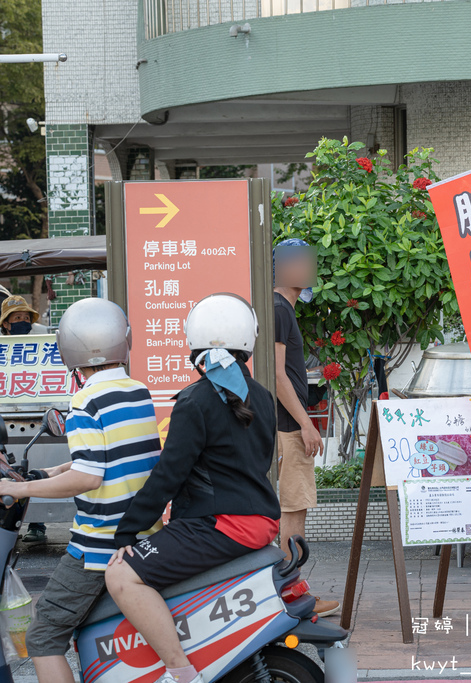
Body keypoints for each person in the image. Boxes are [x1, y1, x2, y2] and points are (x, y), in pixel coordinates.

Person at [105, 294, 281, 683]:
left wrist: (127, 532)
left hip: (220, 524)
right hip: (262, 521)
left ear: (195, 343)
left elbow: (169, 474)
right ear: (247, 342)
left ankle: (181, 673)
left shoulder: (195, 401)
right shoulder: (264, 398)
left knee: (120, 576)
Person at [0, 298, 162, 683]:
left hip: (99, 543)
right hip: (142, 533)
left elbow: (89, 478)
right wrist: (55, 468)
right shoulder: (137, 390)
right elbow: (118, 455)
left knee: (42, 635)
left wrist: (18, 489)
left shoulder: (85, 399)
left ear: (72, 348)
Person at [272, 239, 339, 617]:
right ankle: (291, 597)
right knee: (293, 512)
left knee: (294, 511)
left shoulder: (283, 309)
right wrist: (306, 425)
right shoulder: (280, 309)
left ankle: (292, 591)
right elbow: (279, 376)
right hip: (287, 427)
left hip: (287, 425)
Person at [0, 295, 50, 545]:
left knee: (33, 472)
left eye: (26, 318)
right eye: (17, 318)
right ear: (6, 324)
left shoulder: (40, 347)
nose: (23, 322)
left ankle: (37, 525)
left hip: (35, 414)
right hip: (4, 419)